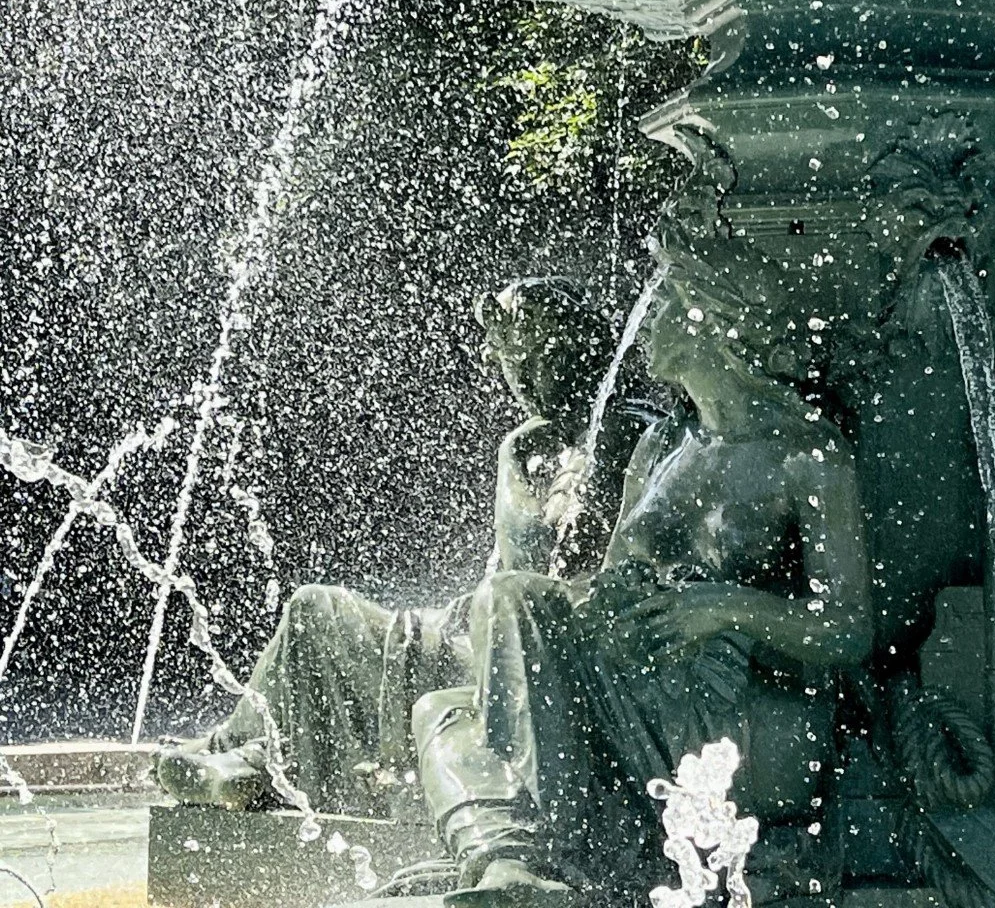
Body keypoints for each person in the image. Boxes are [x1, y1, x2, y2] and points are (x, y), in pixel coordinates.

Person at [415, 251, 873, 905]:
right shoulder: (662, 447)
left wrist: (724, 605)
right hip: (642, 673)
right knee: (447, 711)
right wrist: (591, 610)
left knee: (511, 607)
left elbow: (849, 629)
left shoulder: (807, 455)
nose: (642, 321)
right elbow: (609, 580)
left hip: (727, 702)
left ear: (713, 321)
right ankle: (513, 865)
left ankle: (547, 857)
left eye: (658, 308)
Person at [154, 277, 649, 818]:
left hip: (533, 665)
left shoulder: (610, 439)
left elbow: (543, 567)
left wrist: (518, 460)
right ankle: (252, 754)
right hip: (490, 636)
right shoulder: (556, 442)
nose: (516, 382)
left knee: (318, 612)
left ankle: (252, 758)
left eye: (521, 359)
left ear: (561, 352)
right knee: (318, 610)